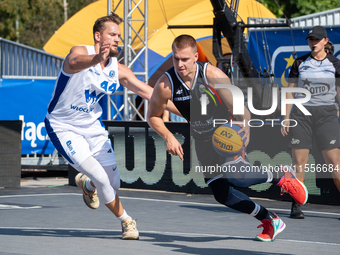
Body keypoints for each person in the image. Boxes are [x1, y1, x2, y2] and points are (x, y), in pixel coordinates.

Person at [147, 34, 308, 242]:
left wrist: (246, 124)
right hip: (203, 141)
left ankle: (282, 176)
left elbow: (241, 108)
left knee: (236, 176)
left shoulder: (213, 75)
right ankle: (270, 219)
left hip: (226, 133)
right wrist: (168, 136)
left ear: (196, 56)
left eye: (185, 59)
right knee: (221, 194)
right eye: (176, 58)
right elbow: (152, 116)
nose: (180, 64)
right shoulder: (165, 84)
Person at [44, 12, 179, 240]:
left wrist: (188, 113)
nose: (117, 39)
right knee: (101, 177)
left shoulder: (119, 70)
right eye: (112, 34)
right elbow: (74, 63)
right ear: (98, 36)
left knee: (113, 183)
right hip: (63, 126)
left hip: (92, 127)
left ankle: (87, 184)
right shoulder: (80, 52)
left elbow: (150, 93)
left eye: (119, 35)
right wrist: (97, 59)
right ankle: (127, 221)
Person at [282, 25, 340, 219]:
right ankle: (296, 205)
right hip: (302, 115)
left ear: (325, 41)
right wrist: (286, 117)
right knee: (299, 163)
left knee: (335, 163)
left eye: (316, 40)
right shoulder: (300, 63)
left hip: (327, 115)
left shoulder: (335, 64)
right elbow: (290, 91)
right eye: (310, 40)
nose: (313, 43)